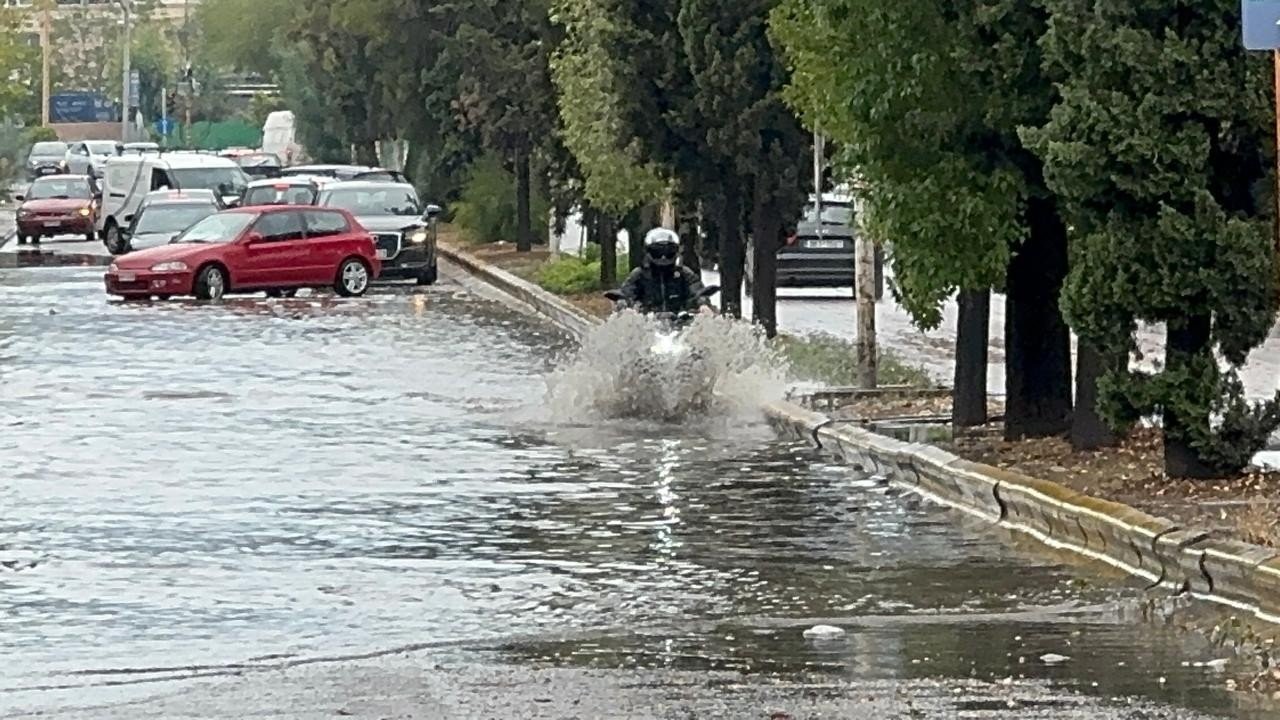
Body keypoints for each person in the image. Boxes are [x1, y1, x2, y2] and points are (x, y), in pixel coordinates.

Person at [616, 228, 714, 315]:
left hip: (682, 324)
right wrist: (625, 305)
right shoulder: (639, 274)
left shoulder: (684, 273)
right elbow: (626, 293)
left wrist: (703, 304)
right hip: (646, 325)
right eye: (658, 252)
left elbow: (697, 290)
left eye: (668, 252)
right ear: (648, 251)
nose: (663, 257)